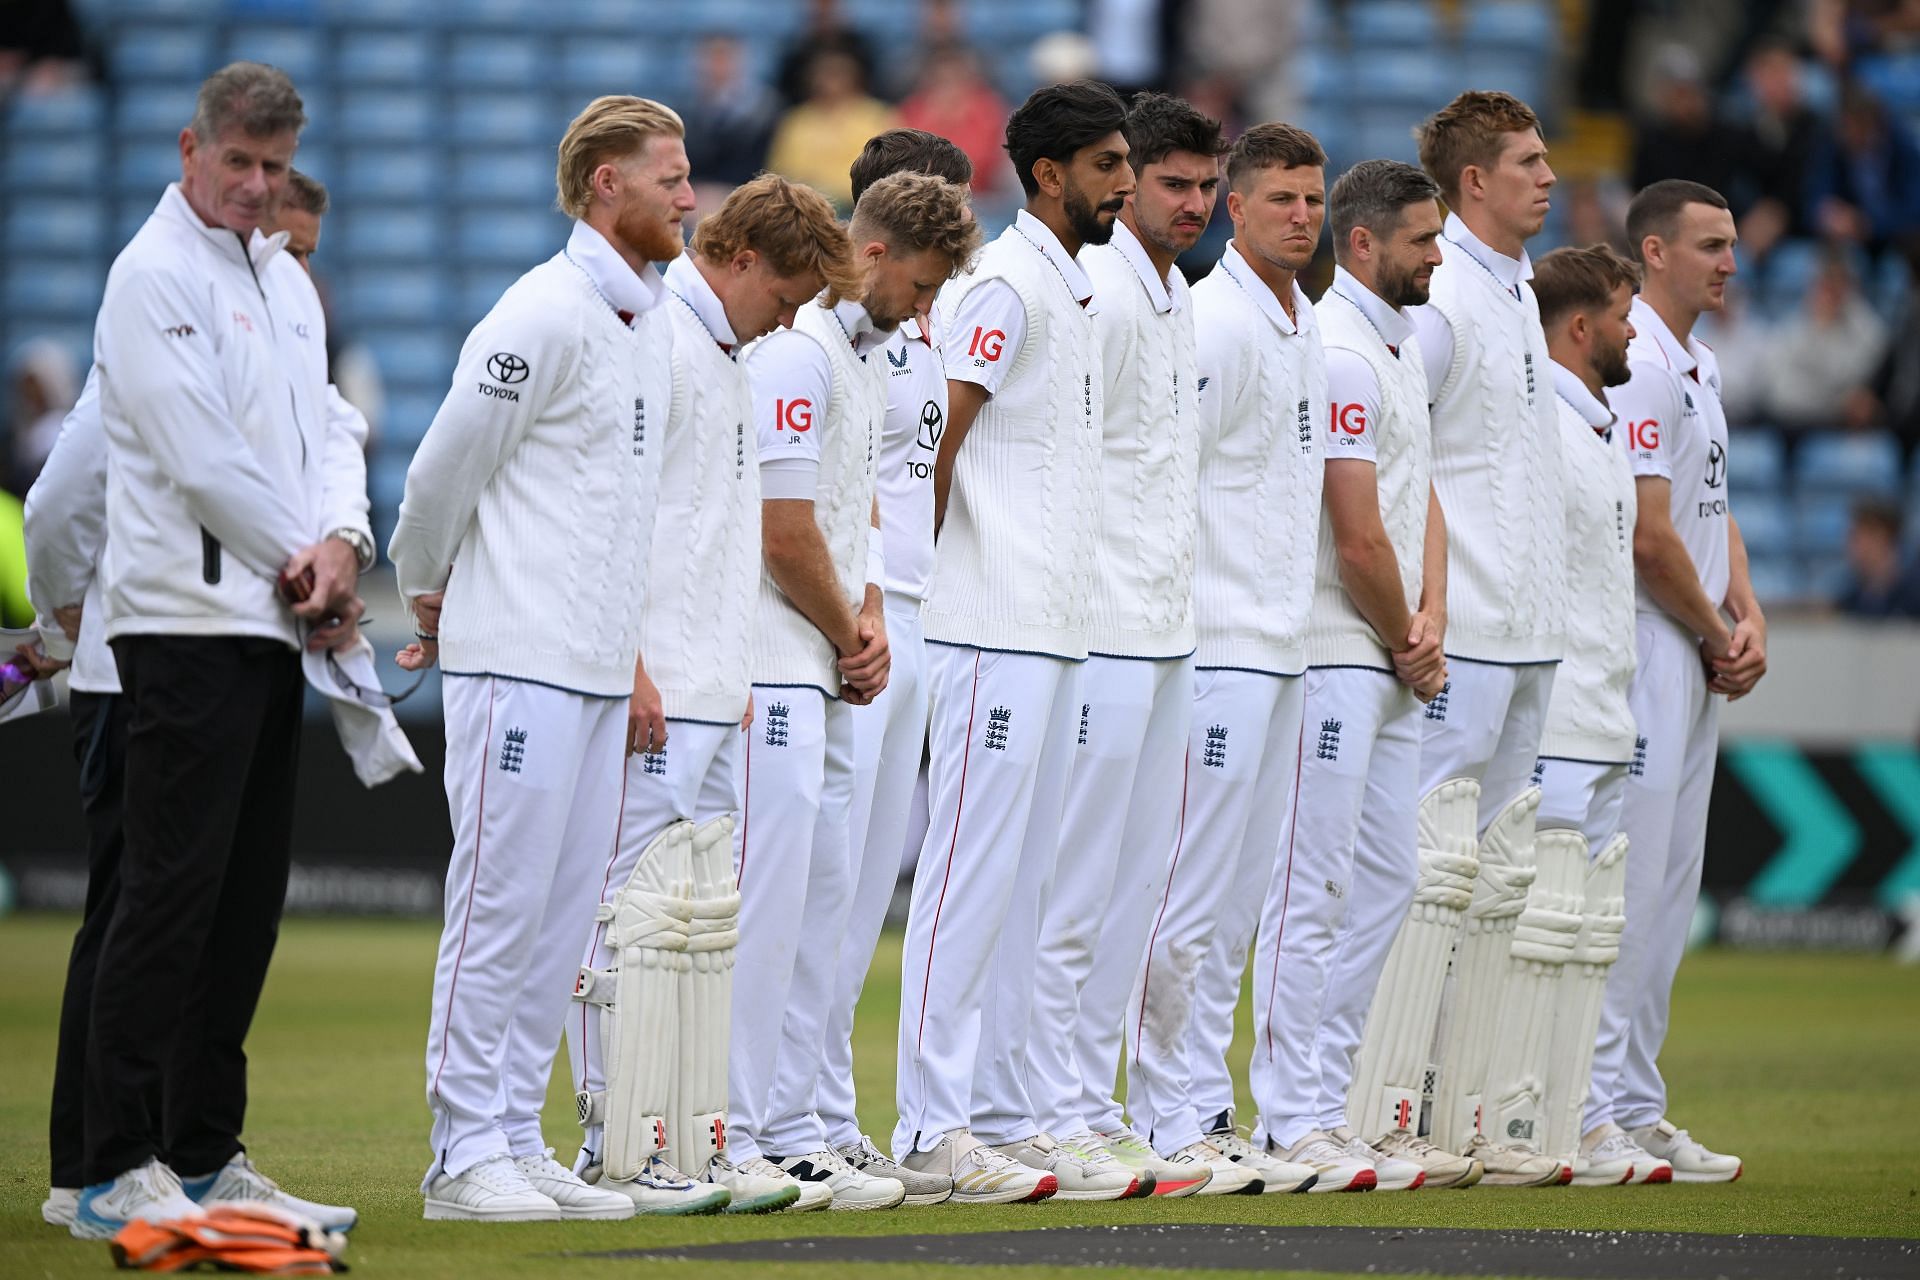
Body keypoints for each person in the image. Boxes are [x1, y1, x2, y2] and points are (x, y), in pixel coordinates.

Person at [23, 167, 397, 1233]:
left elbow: (339, 454)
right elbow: (59, 501)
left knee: (224, 918)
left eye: (313, 256)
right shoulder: (163, 338)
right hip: (134, 671)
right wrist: (66, 619)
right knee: (141, 915)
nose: (300, 274)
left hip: (247, 657)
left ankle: (196, 1152)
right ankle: (91, 1163)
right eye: (289, 249)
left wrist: (343, 546)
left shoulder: (289, 363)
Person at [391, 95, 700, 1222]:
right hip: (518, 659)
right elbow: (441, 472)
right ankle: (460, 1151)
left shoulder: (645, 322)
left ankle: (515, 1133)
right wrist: (426, 585)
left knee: (563, 921)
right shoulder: (541, 311)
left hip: (595, 668)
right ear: (606, 184)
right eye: (670, 176)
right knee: (500, 906)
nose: (689, 196)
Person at [562, 173, 858, 1216]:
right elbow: (611, 518)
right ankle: (611, 1137)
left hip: (714, 688)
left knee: (695, 925)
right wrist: (633, 662)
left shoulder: (731, 351)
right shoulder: (659, 341)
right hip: (653, 686)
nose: (789, 320)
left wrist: (727, 675)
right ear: (739, 261)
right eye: (785, 296)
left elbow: (722, 538)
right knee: (625, 916)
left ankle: (685, 1135)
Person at [892, 79, 1132, 1205]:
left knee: (1024, 886)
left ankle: (994, 1114)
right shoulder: (1004, 285)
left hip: (1054, 631)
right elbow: (939, 443)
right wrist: (960, 577)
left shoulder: (1072, 285)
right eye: (1106, 164)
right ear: (1047, 174)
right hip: (992, 627)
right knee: (967, 875)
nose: (1125, 183)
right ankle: (929, 1127)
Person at [732, 170, 978, 1210]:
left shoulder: (867, 356)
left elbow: (859, 509)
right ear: (872, 254)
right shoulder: (796, 351)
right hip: (777, 656)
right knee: (772, 906)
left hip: (833, 656)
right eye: (921, 286)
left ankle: (800, 1124)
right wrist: (855, 629)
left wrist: (868, 604)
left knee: (827, 901)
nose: (926, 312)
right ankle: (740, 1127)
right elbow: (783, 529)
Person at [1354, 90, 1568, 1188]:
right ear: (1474, 181)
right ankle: (1374, 1105)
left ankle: (1455, 1110)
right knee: (1421, 875)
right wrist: (1424, 606)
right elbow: (1403, 459)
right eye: (1527, 161)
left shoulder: (1519, 293)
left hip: (1527, 634)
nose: (1549, 176)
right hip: (1462, 637)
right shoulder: (1438, 304)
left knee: (1494, 890)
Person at [1024, 90, 1232, 1201]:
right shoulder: (1096, 288)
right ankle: (1046, 1113)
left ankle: (1093, 1110)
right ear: (1125, 180)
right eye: (1171, 183)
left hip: (1165, 630)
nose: (1193, 203)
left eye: (1207, 185)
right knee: (1075, 885)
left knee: (1133, 889)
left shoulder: (1177, 293)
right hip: (1097, 629)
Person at [1122, 120, 1331, 1198]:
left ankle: (1205, 1105)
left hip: (1283, 645)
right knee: (1189, 896)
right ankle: (1165, 1113)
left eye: (1314, 199)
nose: (1301, 216)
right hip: (1216, 643)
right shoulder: (1215, 321)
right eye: (1280, 198)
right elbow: (1165, 480)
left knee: (1241, 899)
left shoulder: (1302, 321)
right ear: (1236, 208)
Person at [1247, 158, 1446, 1195]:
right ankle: (1289, 1116)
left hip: (1389, 651)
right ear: (1363, 245)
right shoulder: (1339, 353)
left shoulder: (1399, 347)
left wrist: (1431, 616)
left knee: (1386, 880)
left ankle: (1329, 1100)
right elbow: (1356, 530)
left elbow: (1423, 500)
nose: (1438, 256)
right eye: (1423, 239)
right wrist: (1408, 629)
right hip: (1336, 647)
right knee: (1311, 883)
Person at [1590, 179, 1763, 1182]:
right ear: (1654, 252)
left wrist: (1749, 609)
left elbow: (1712, 505)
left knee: (1670, 888)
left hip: (1694, 640)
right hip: (1651, 640)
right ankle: (1593, 1108)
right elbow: (1648, 538)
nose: (1730, 261)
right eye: (1710, 244)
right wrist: (1715, 628)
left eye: (1732, 243)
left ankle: (1635, 1103)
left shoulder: (1702, 362)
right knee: (1631, 881)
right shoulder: (1641, 365)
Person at [820, 129, 981, 1208]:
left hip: (928, 613)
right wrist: (866, 601)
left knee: (871, 885)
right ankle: (796, 1116)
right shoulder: (831, 333)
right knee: (826, 886)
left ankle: (830, 1116)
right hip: (862, 621)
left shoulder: (927, 331)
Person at [1526, 242, 1674, 1188]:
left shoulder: (1596, 421)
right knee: (1541, 934)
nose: (1634, 334)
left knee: (1587, 940)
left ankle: (1577, 1117)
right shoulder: (1540, 421)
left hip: (1603, 713)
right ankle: (1530, 1117)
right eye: (1624, 317)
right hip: (1558, 718)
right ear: (1582, 328)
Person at [766, 49, 899, 210]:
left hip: (862, 204)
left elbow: (884, 167)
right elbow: (784, 169)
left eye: (838, 76)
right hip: (806, 205)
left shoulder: (876, 116)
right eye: (825, 76)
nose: (831, 84)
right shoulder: (797, 120)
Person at [1836, 500, 1920, 618]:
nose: (1851, 545)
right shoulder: (1853, 594)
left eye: (1858, 537)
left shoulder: (1914, 594)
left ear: (1884, 538)